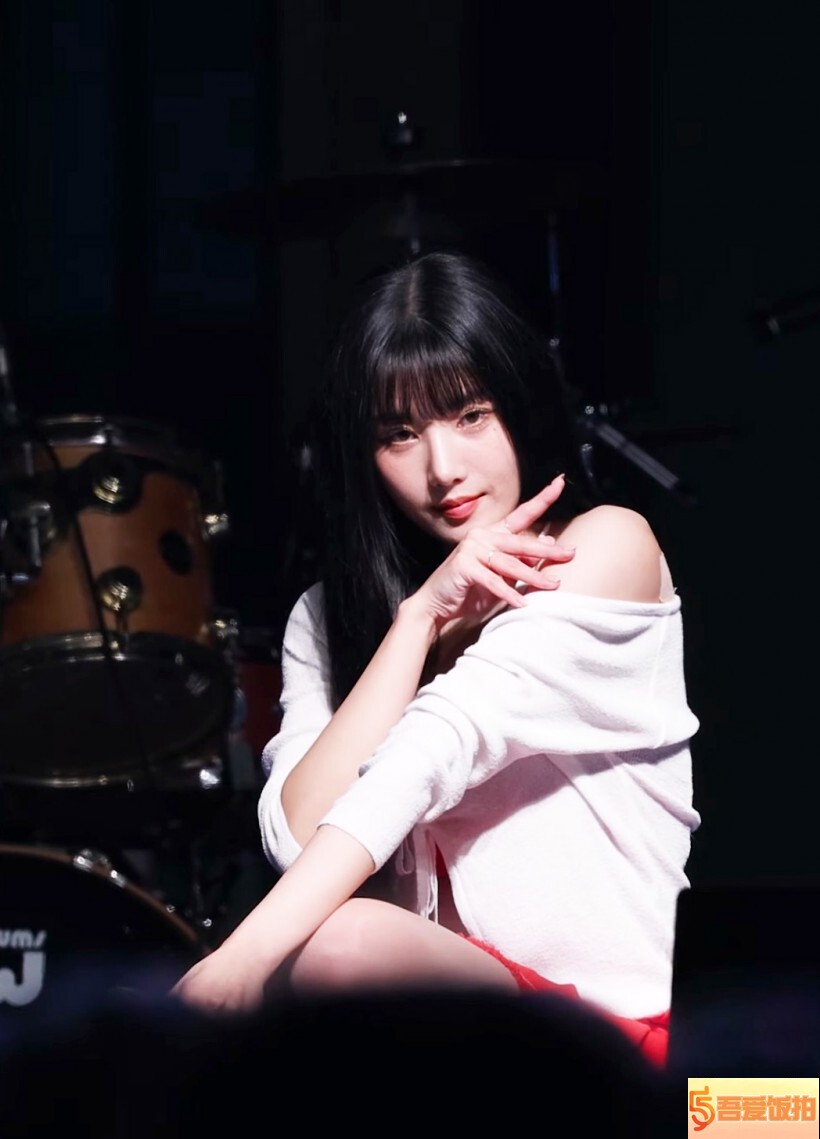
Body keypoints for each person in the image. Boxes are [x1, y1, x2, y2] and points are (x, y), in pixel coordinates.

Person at [172, 250, 701, 1063]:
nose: (443, 469)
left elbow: (438, 745)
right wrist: (417, 620)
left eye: (471, 415)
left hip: (632, 1046)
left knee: (339, 946)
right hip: (462, 1045)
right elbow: (297, 838)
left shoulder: (603, 547)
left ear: (520, 402)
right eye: (399, 434)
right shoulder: (325, 618)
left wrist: (239, 956)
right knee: (326, 965)